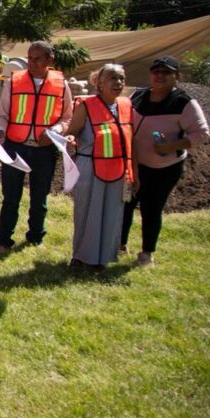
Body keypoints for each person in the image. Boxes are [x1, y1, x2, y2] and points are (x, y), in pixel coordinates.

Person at [122, 55, 208, 266]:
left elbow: (202, 134)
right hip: (134, 164)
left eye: (166, 72)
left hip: (163, 168)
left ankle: (147, 254)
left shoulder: (183, 102)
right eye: (156, 71)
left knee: (151, 209)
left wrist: (170, 147)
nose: (160, 76)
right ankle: (120, 245)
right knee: (125, 205)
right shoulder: (138, 95)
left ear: (176, 76)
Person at [0, 41, 72, 251]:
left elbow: (67, 118)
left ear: (49, 60)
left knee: (39, 198)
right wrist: (0, 130)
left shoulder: (62, 85)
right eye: (29, 58)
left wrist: (55, 131)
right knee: (10, 197)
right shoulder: (14, 82)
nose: (32, 63)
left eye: (37, 59)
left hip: (44, 151)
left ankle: (36, 238)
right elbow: (1, 114)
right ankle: (3, 240)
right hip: (14, 147)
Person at [63, 64, 134, 269]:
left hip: (117, 169)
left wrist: (133, 172)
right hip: (90, 168)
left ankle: (103, 258)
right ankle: (81, 256)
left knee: (112, 213)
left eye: (121, 78)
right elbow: (72, 131)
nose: (118, 83)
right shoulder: (86, 106)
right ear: (99, 83)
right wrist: (69, 138)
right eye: (113, 78)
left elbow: (131, 140)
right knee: (87, 212)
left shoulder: (126, 106)